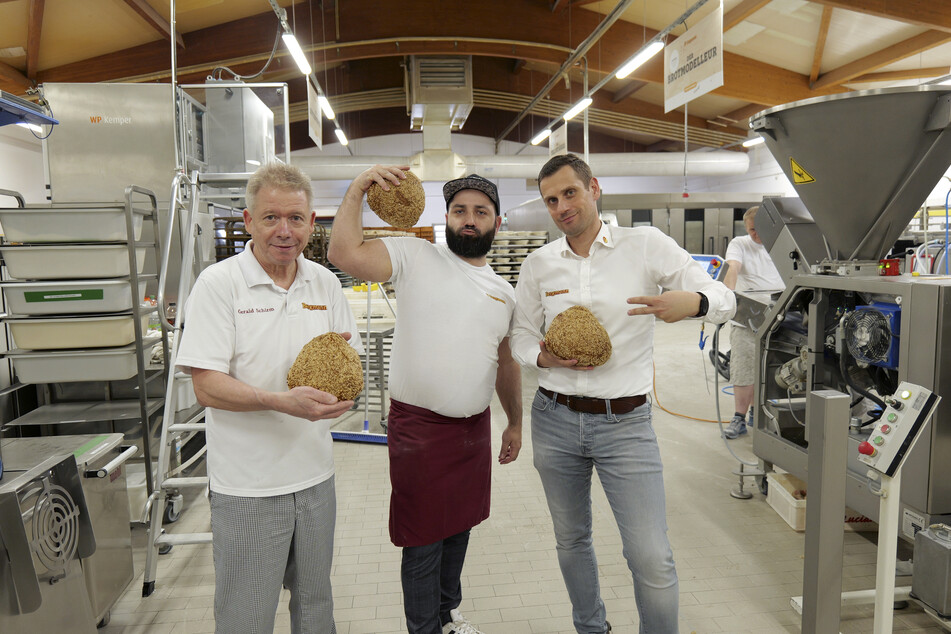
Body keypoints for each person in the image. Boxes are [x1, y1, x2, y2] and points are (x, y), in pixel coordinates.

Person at [510, 153, 735, 634]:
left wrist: (692, 302)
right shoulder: (539, 264)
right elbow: (521, 336)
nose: (562, 207)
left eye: (570, 192)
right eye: (551, 200)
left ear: (594, 188)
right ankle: (591, 628)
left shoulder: (645, 245)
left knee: (650, 556)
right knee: (571, 541)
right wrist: (543, 357)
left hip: (626, 424)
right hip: (554, 416)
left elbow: (723, 298)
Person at [327, 167, 522, 634]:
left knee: (460, 529)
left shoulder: (504, 293)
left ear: (498, 221)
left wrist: (514, 422)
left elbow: (507, 363)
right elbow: (342, 252)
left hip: (473, 431)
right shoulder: (415, 255)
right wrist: (357, 189)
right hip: (419, 429)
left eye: (480, 211)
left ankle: (448, 615)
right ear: (447, 218)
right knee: (422, 541)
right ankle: (424, 629)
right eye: (459, 211)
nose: (469, 219)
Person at [176, 163, 361, 634]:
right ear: (248, 221)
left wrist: (343, 392)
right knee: (247, 615)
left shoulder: (324, 283)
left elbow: (349, 365)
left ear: (311, 221)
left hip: (316, 476)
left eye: (296, 218)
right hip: (248, 486)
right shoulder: (220, 285)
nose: (285, 230)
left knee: (317, 608)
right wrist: (281, 401)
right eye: (271, 217)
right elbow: (206, 386)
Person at [721, 205, 786, 439]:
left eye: (759, 230)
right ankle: (739, 417)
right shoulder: (740, 244)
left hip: (780, 315)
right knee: (744, 367)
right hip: (747, 316)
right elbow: (734, 267)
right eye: (751, 231)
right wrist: (726, 294)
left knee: (775, 368)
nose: (755, 235)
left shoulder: (783, 246)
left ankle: (759, 413)